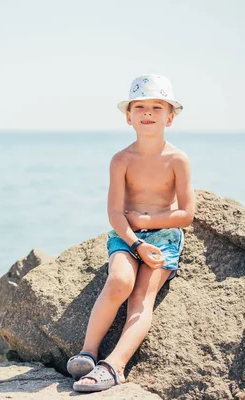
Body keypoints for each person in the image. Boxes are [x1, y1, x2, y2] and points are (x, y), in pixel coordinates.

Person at [68, 74, 195, 392]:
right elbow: (115, 213)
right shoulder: (121, 160)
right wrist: (135, 241)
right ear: (129, 116)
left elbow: (186, 214)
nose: (148, 112)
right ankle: (88, 353)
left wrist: (145, 220)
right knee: (119, 281)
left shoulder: (178, 159)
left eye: (156, 106)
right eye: (140, 107)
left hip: (164, 237)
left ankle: (115, 366)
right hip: (127, 236)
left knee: (142, 297)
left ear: (171, 116)